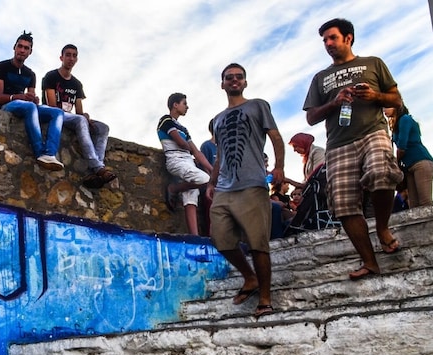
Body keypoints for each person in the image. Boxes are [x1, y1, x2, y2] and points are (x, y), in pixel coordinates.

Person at [303, 18, 404, 280]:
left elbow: (396, 99)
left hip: (373, 131)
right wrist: (335, 102)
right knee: (344, 205)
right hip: (338, 144)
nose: (327, 44)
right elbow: (311, 117)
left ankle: (382, 228)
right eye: (324, 40)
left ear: (348, 38)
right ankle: (370, 262)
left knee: (382, 173)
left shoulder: (373, 63)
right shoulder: (320, 78)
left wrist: (375, 96)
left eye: (332, 38)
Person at [207, 63, 285, 317]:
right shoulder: (217, 120)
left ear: (245, 82)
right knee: (220, 238)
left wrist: (279, 167)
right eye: (229, 78)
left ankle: (265, 296)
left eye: (239, 77)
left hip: (252, 182)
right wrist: (212, 181)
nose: (234, 80)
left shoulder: (258, 105)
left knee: (257, 242)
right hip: (225, 187)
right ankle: (249, 277)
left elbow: (275, 136)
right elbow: (220, 155)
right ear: (222, 84)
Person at [42, 44, 116, 188]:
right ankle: (98, 166)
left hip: (72, 118)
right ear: (61, 57)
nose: (71, 58)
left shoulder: (76, 84)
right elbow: (51, 105)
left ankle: (93, 171)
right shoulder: (51, 76)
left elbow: (79, 111)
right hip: (54, 115)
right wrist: (80, 117)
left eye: (74, 55)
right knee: (79, 119)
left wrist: (86, 116)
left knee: (103, 128)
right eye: (68, 55)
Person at [0, 31, 65, 171]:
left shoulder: (30, 74)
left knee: (57, 112)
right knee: (30, 108)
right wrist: (16, 97)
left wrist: (34, 98)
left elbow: (31, 96)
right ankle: (40, 153)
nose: (22, 50)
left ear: (30, 52)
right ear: (14, 47)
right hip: (7, 105)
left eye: (26, 48)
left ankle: (50, 153)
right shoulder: (2, 66)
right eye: (20, 46)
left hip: (25, 105)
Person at [159, 93, 213, 235]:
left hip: (188, 162)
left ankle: (194, 237)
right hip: (176, 160)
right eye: (184, 103)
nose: (187, 107)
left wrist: (211, 169)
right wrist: (191, 149)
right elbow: (181, 142)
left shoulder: (184, 128)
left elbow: (197, 152)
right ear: (175, 105)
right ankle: (174, 188)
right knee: (206, 180)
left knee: (191, 197)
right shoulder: (166, 120)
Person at [385, 104, 433, 207]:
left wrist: (397, 162)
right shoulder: (395, 126)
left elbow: (402, 145)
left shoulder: (405, 119)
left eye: (386, 107)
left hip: (421, 161)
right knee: (413, 205)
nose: (384, 110)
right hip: (408, 166)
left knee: (425, 202)